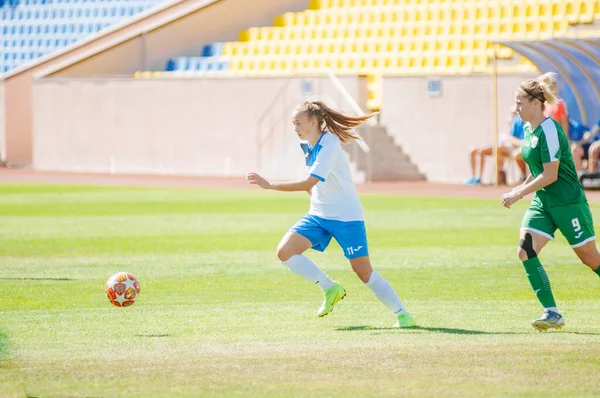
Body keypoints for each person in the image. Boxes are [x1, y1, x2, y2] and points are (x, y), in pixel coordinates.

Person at [245, 101, 416, 328]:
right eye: (293, 123)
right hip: (319, 215)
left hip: (346, 217)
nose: (295, 128)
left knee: (364, 273)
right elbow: (312, 185)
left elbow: (310, 181)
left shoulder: (330, 143)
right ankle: (330, 288)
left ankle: (403, 315)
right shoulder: (307, 145)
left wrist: (270, 185)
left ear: (314, 121)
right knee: (285, 252)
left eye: (299, 123)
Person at [500, 73, 600, 332]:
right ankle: (552, 312)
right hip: (543, 203)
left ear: (535, 102)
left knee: (590, 259)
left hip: (568, 203)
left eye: (519, 102)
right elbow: (537, 169)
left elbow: (551, 174)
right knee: (525, 250)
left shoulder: (550, 129)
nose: (516, 108)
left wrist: (518, 194)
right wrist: (521, 188)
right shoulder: (526, 129)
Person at [465, 111, 526, 185]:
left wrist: (511, 140)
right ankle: (477, 177)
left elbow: (517, 141)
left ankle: (502, 173)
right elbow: (510, 137)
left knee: (501, 151)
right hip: (508, 145)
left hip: (517, 147)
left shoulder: (525, 121)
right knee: (477, 150)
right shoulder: (515, 121)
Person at [543, 72, 569, 138]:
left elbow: (564, 123)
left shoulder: (559, 103)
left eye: (553, 87)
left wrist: (564, 138)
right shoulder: (543, 103)